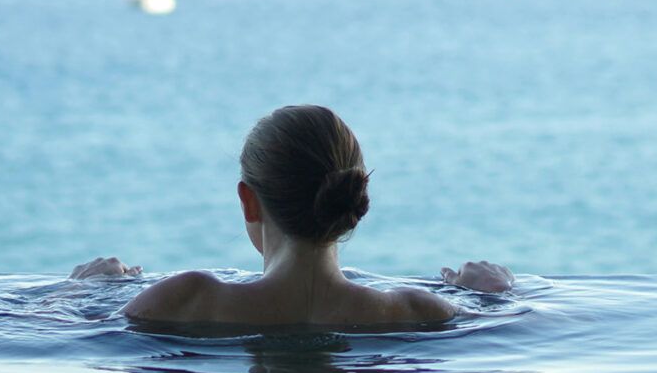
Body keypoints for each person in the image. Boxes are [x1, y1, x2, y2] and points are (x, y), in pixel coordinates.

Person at [71, 104, 514, 326]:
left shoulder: (185, 300)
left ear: (249, 201)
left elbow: (47, 330)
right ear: (354, 200)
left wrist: (83, 291)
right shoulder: (416, 311)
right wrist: (493, 294)